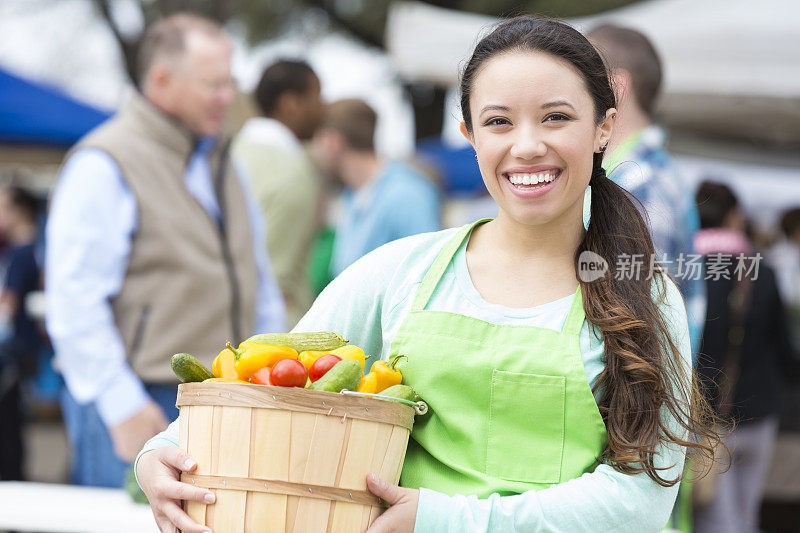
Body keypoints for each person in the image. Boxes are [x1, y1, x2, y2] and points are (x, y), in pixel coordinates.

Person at [134, 16, 719, 533]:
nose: (528, 145)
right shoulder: (399, 272)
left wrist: (445, 520)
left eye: (557, 117)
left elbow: (639, 502)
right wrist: (162, 452)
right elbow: (268, 382)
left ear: (603, 130)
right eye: (498, 122)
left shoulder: (643, 296)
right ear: (469, 135)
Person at [45, 12, 285, 488]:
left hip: (224, 396)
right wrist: (122, 405)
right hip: (139, 400)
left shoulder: (224, 163)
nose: (227, 98)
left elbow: (258, 276)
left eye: (229, 83)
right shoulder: (103, 162)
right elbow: (73, 303)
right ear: (161, 79)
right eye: (212, 85)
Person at [587, 25, 706, 363]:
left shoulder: (640, 184)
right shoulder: (635, 174)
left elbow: (639, 324)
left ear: (617, 87)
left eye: (584, 73)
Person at [693, 182, 792, 533]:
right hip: (760, 413)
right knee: (746, 513)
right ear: (734, 217)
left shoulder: (686, 270)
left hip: (707, 418)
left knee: (714, 519)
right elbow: (784, 348)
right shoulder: (762, 272)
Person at [233, 60, 325, 328]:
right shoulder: (291, 172)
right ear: (290, 104)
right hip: (272, 340)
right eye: (316, 96)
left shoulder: (232, 156)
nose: (323, 108)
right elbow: (278, 284)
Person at [311, 98, 440, 277]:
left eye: (315, 138)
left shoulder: (408, 194)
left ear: (333, 142)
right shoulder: (352, 195)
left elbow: (427, 271)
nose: (313, 149)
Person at [0, 185, 42, 481]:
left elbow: (8, 305)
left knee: (9, 424)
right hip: (23, 351)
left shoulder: (22, 252)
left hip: (14, 353)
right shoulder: (33, 248)